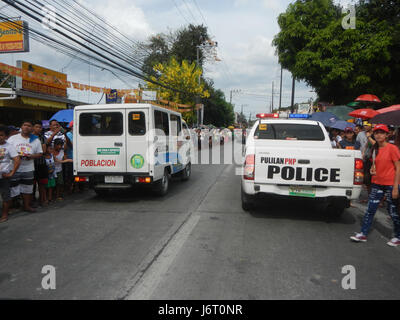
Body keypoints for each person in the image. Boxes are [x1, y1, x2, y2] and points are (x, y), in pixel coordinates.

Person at [350, 124, 400, 247]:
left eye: (381, 132)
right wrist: (373, 169)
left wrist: (395, 187)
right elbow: (375, 164)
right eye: (376, 132)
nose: (378, 135)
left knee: (392, 211)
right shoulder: (374, 148)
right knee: (370, 210)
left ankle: (398, 236)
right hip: (377, 184)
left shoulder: (392, 148)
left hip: (390, 184)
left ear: (387, 135)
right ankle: (363, 233)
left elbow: (398, 167)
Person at [7, 120, 43, 213]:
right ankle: (8, 208)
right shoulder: (13, 138)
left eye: (29, 125)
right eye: (24, 125)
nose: (26, 127)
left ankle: (26, 206)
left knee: (27, 189)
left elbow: (40, 153)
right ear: (21, 127)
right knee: (12, 188)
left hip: (28, 168)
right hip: (13, 168)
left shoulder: (35, 139)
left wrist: (31, 156)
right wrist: (15, 156)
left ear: (32, 128)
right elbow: (6, 150)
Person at [0, 126, 21, 223]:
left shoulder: (9, 147)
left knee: (6, 196)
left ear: (5, 136)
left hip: (4, 176)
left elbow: (17, 160)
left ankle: (4, 214)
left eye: (1, 135)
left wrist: (11, 173)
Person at [32, 121, 48, 207]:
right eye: (36, 126)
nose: (38, 129)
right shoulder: (29, 137)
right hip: (31, 164)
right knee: (32, 184)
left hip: (41, 163)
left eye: (40, 127)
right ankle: (32, 200)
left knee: (42, 183)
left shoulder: (42, 137)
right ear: (33, 127)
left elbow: (44, 150)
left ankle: (43, 199)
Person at [64, 121, 74, 194]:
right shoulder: (68, 134)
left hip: (76, 158)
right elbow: (72, 145)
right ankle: (69, 188)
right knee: (70, 174)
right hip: (70, 157)